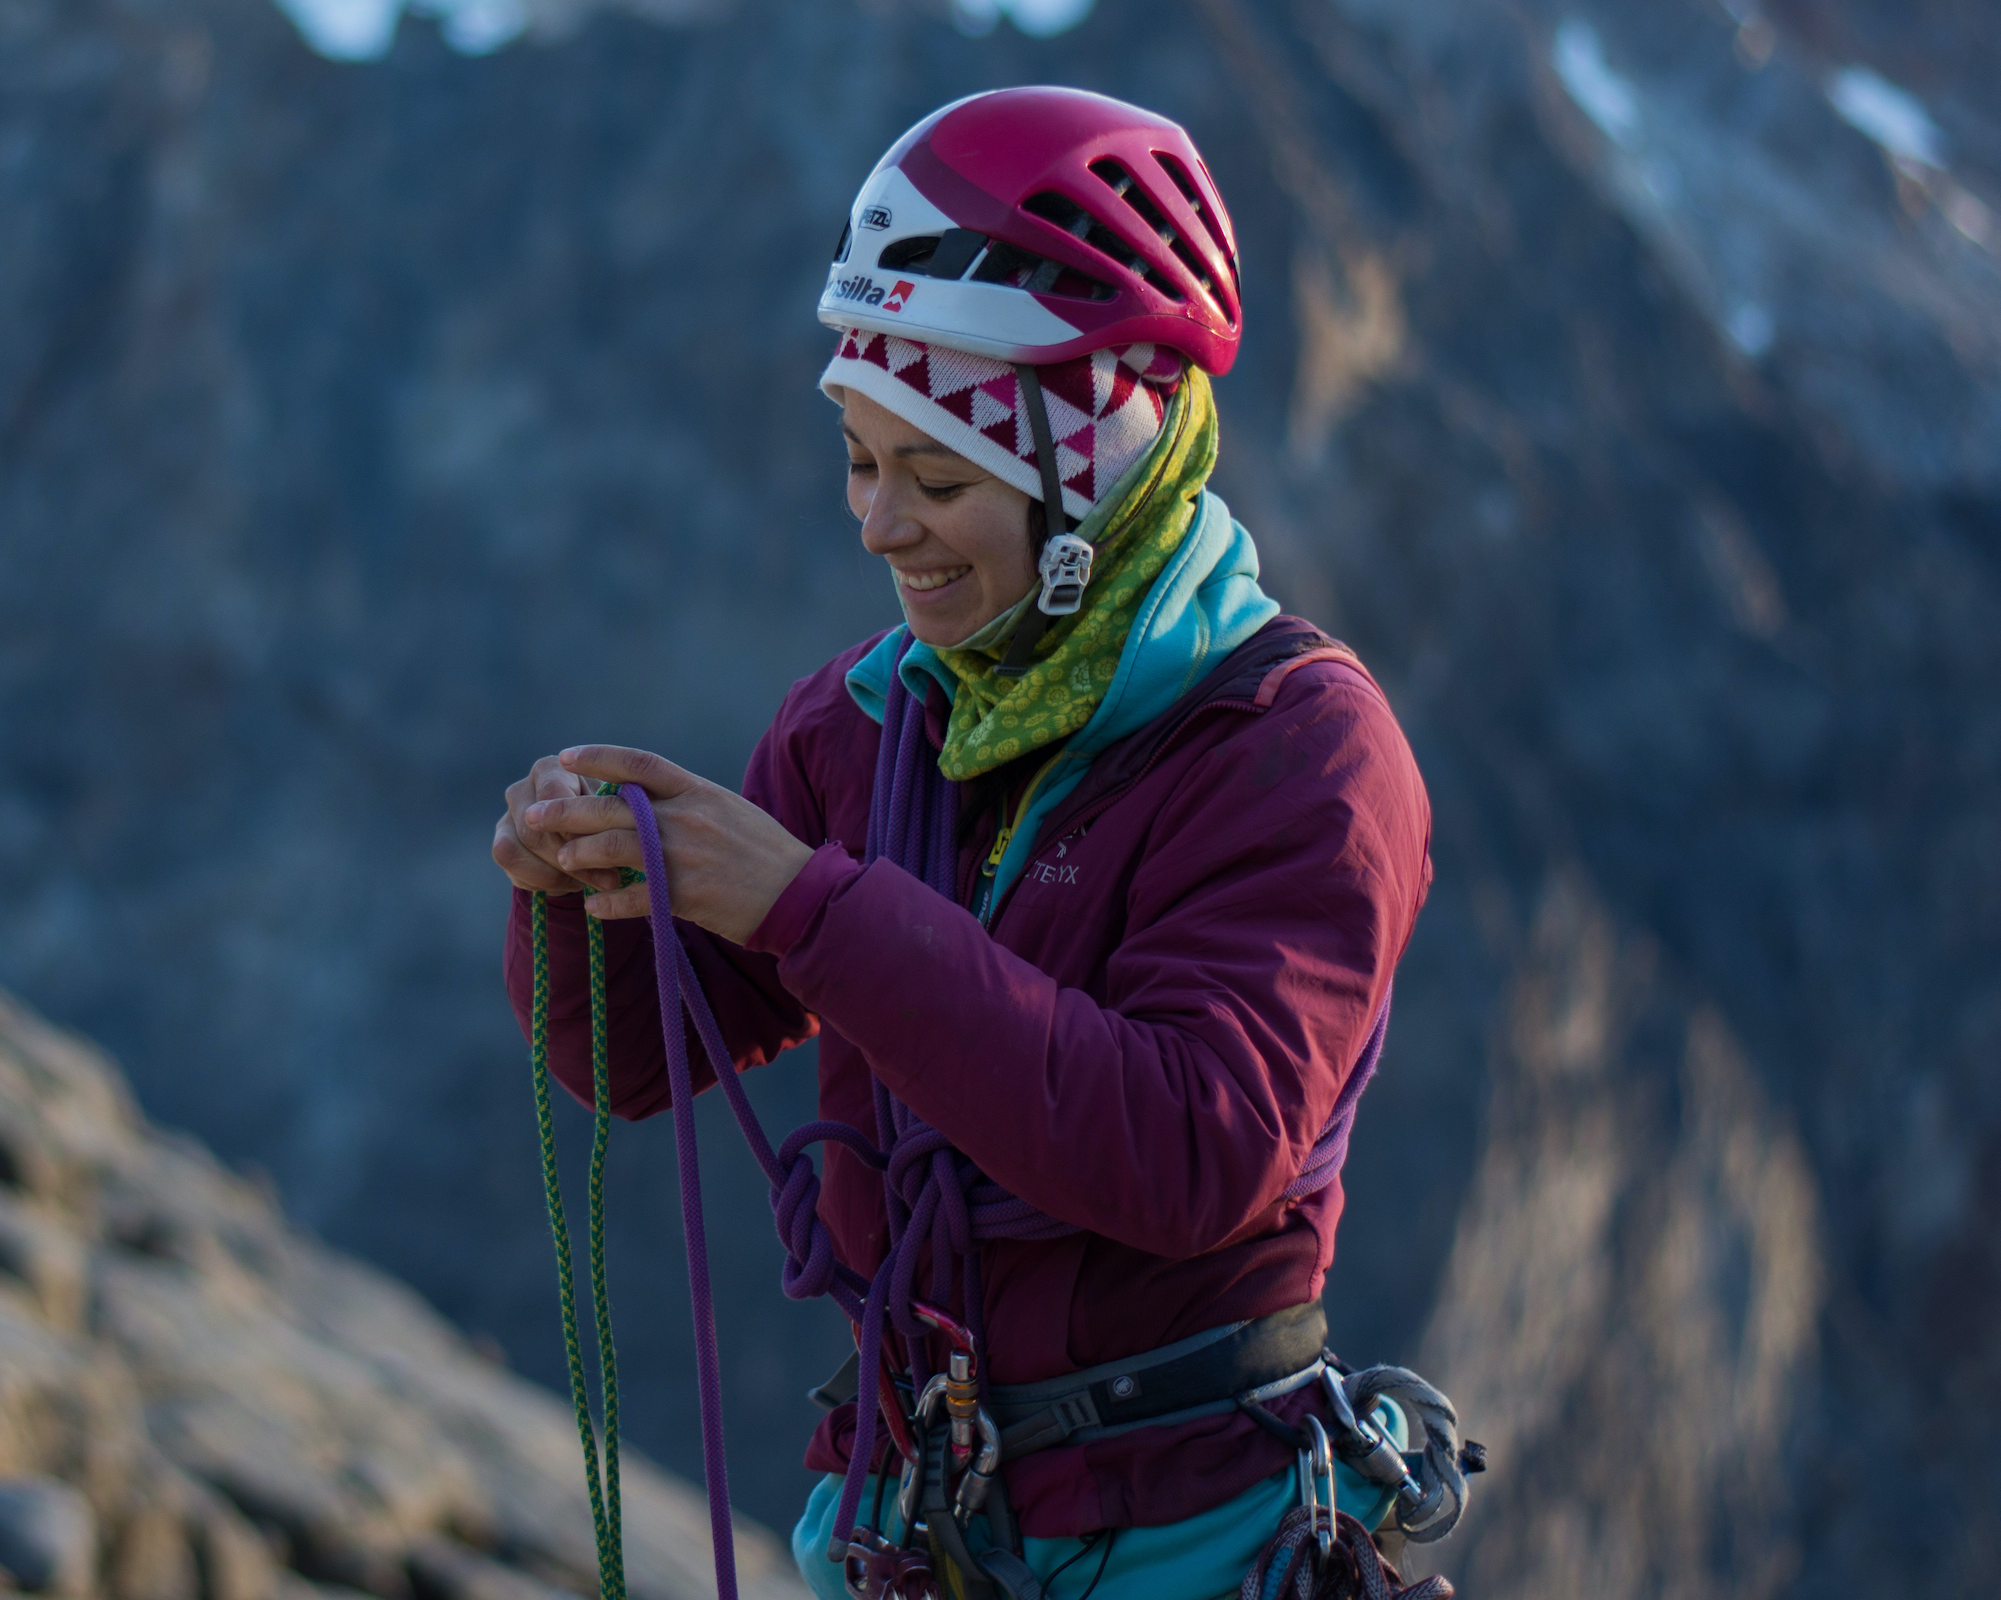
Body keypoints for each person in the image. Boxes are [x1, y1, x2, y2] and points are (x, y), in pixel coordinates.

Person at [492, 87, 1444, 1600]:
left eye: (937, 478)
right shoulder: (866, 726)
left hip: (1187, 1539)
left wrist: (811, 908)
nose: (881, 526)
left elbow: (1190, 1148)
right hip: (911, 1527)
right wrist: (579, 892)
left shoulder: (1298, 752)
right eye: (862, 463)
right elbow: (634, 1060)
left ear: (1101, 463)